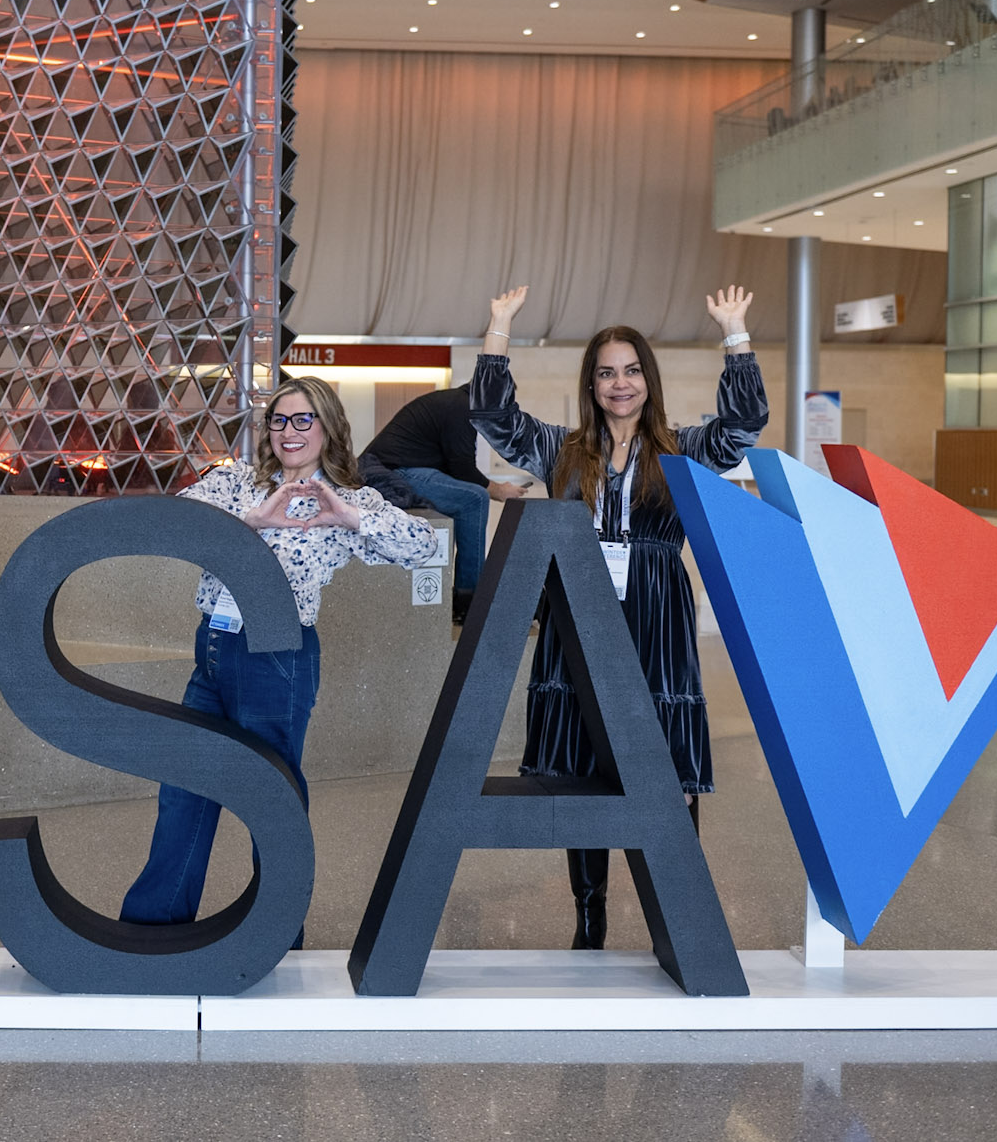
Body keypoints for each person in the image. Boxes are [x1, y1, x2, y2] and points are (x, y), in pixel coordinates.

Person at [471, 284, 767, 951]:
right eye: (606, 373)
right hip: (578, 610)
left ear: (648, 379)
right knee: (581, 764)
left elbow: (745, 424)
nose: (620, 383)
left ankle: (681, 913)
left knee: (667, 764)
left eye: (632, 370)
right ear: (592, 384)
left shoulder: (683, 448)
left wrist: (735, 333)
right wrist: (499, 326)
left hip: (657, 615)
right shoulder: (562, 449)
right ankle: (589, 917)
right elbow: (492, 415)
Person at [120, 377, 439, 930]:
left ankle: (275, 934)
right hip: (214, 648)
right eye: (279, 420)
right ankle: (153, 927)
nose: (289, 432)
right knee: (184, 789)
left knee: (272, 801)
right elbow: (171, 526)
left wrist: (349, 516)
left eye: (303, 419)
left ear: (328, 427)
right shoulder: (236, 482)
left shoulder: (347, 499)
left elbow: (424, 548)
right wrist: (251, 521)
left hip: (276, 660)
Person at [362, 385, 529, 622]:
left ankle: (463, 596)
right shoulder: (463, 408)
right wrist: (498, 490)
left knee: (469, 496)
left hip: (397, 468)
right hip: (394, 472)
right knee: (475, 498)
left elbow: (457, 466)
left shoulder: (459, 403)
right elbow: (462, 468)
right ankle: (469, 599)